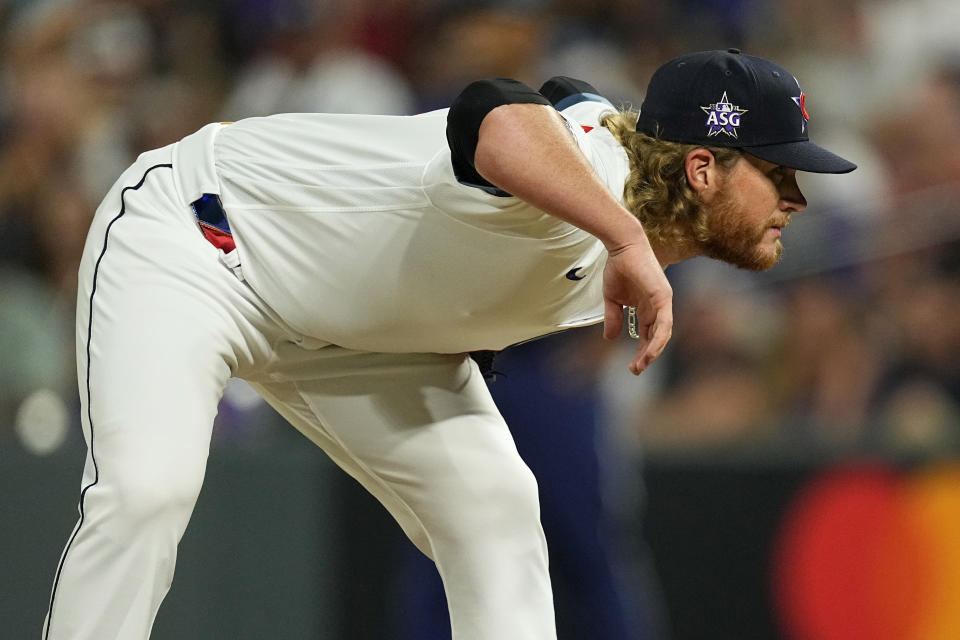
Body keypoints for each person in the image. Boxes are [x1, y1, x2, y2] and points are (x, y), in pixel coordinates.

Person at [43, 49, 854, 639]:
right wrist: (623, 239)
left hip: (357, 335)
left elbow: (574, 94)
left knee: (495, 510)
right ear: (704, 169)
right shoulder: (595, 181)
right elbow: (494, 110)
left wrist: (621, 245)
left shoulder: (614, 186)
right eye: (777, 170)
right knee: (147, 491)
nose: (797, 195)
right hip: (200, 240)